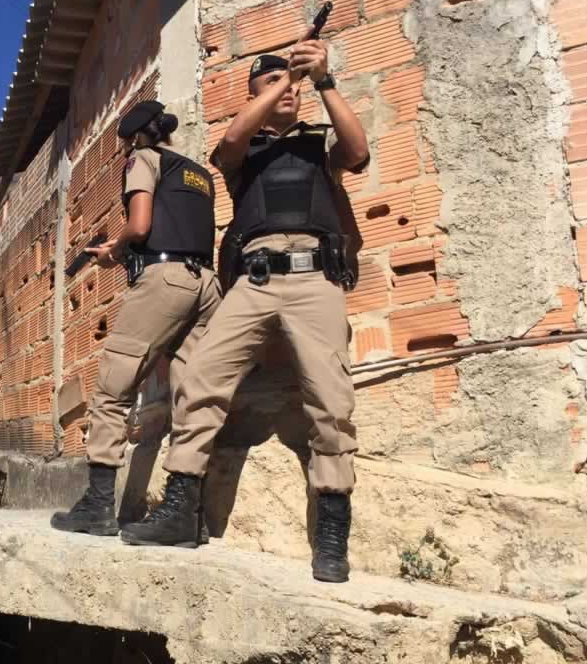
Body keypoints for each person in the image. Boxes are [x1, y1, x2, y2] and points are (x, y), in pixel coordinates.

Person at [126, 33, 370, 581]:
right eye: (271, 84)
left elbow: (357, 152)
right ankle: (181, 509)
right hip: (253, 283)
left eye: (290, 83)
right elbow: (233, 138)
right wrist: (287, 78)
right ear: (256, 94)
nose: (287, 90)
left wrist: (323, 80)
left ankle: (332, 532)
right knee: (200, 379)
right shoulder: (242, 153)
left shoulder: (317, 145)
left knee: (330, 402)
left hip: (315, 278)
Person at [50, 100, 222, 544]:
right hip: (207, 284)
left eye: (127, 142)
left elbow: (141, 225)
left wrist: (115, 248)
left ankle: (97, 506)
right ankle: (184, 514)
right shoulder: (198, 173)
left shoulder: (142, 158)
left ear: (137, 137)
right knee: (193, 396)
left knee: (112, 390)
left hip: (165, 280)